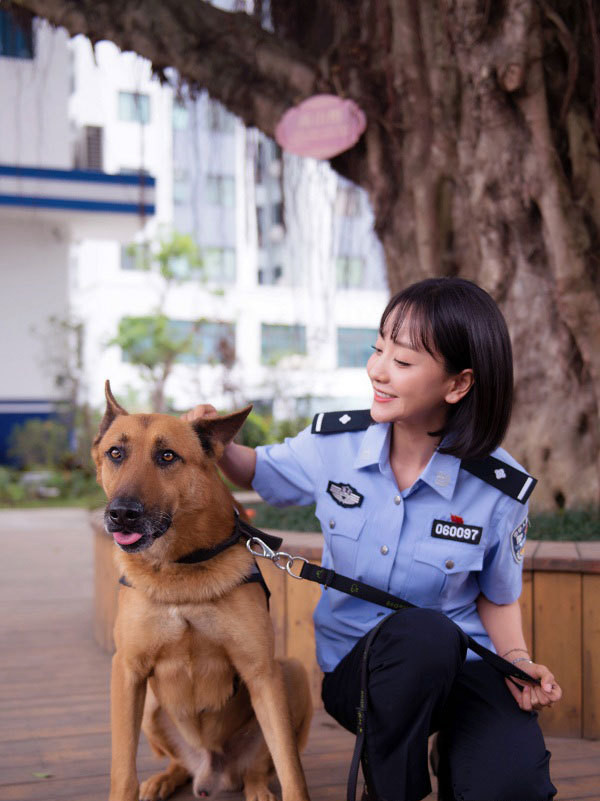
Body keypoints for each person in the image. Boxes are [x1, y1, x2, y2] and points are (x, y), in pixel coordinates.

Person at [183, 277, 562, 801]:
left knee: (511, 788)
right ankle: (392, 788)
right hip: (359, 677)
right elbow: (256, 469)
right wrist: (214, 441)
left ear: (458, 385)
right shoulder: (333, 445)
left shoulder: (498, 488)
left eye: (403, 362)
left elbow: (497, 594)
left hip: (465, 671)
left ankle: (449, 750)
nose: (378, 370)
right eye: (378, 348)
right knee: (424, 637)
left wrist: (517, 661)